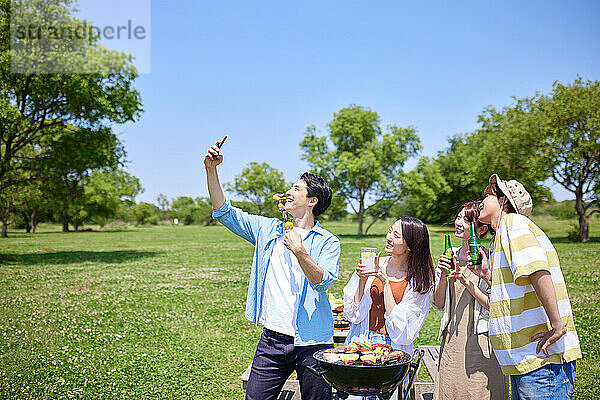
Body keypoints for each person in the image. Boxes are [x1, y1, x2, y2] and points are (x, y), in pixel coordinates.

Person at [204, 140, 341, 400]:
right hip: (272, 340)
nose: (289, 191)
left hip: (313, 342)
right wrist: (211, 169)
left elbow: (322, 282)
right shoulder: (268, 230)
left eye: (296, 188)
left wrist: (300, 251)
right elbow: (224, 212)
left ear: (311, 201)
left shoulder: (328, 241)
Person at [478, 174, 581, 400]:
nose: (482, 198)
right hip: (526, 359)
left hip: (541, 362)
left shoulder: (514, 223)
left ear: (504, 201)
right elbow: (517, 289)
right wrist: (488, 276)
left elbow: (537, 270)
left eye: (489, 193)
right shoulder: (506, 233)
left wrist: (557, 326)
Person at [342, 217, 433, 400]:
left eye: (396, 235)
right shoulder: (374, 264)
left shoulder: (419, 282)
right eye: (390, 231)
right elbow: (353, 314)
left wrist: (385, 282)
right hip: (362, 342)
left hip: (393, 351)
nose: (388, 237)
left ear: (409, 246)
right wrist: (361, 279)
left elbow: (403, 331)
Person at [432, 201, 509, 400]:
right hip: (453, 340)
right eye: (458, 217)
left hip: (482, 340)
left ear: (482, 228)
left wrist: (466, 281)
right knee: (451, 391)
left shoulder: (491, 260)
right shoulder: (449, 257)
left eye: (466, 220)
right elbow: (438, 304)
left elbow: (496, 306)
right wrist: (441, 274)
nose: (458, 222)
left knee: (479, 391)